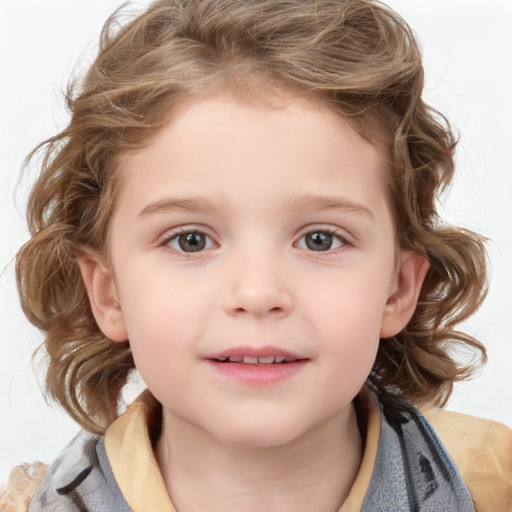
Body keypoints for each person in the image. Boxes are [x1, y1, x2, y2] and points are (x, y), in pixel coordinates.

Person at [1, 0, 511, 510]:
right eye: (190, 240)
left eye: (320, 239)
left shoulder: (493, 484)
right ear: (107, 292)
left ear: (398, 288)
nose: (258, 292)